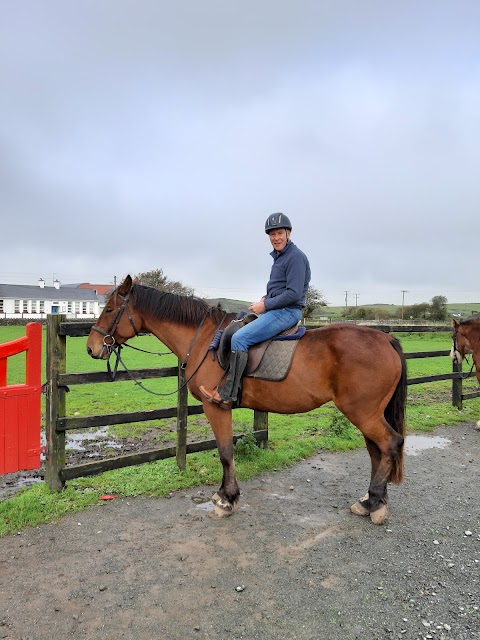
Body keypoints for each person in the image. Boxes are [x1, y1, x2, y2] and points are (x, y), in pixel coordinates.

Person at [200, 212, 311, 409]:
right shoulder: (280, 257)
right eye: (272, 235)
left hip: (287, 312)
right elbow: (280, 289)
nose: (275, 238)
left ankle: (228, 394)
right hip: (276, 309)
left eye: (279, 233)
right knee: (239, 322)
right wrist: (265, 299)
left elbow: (293, 294)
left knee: (240, 338)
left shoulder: (295, 257)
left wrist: (265, 305)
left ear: (288, 233)